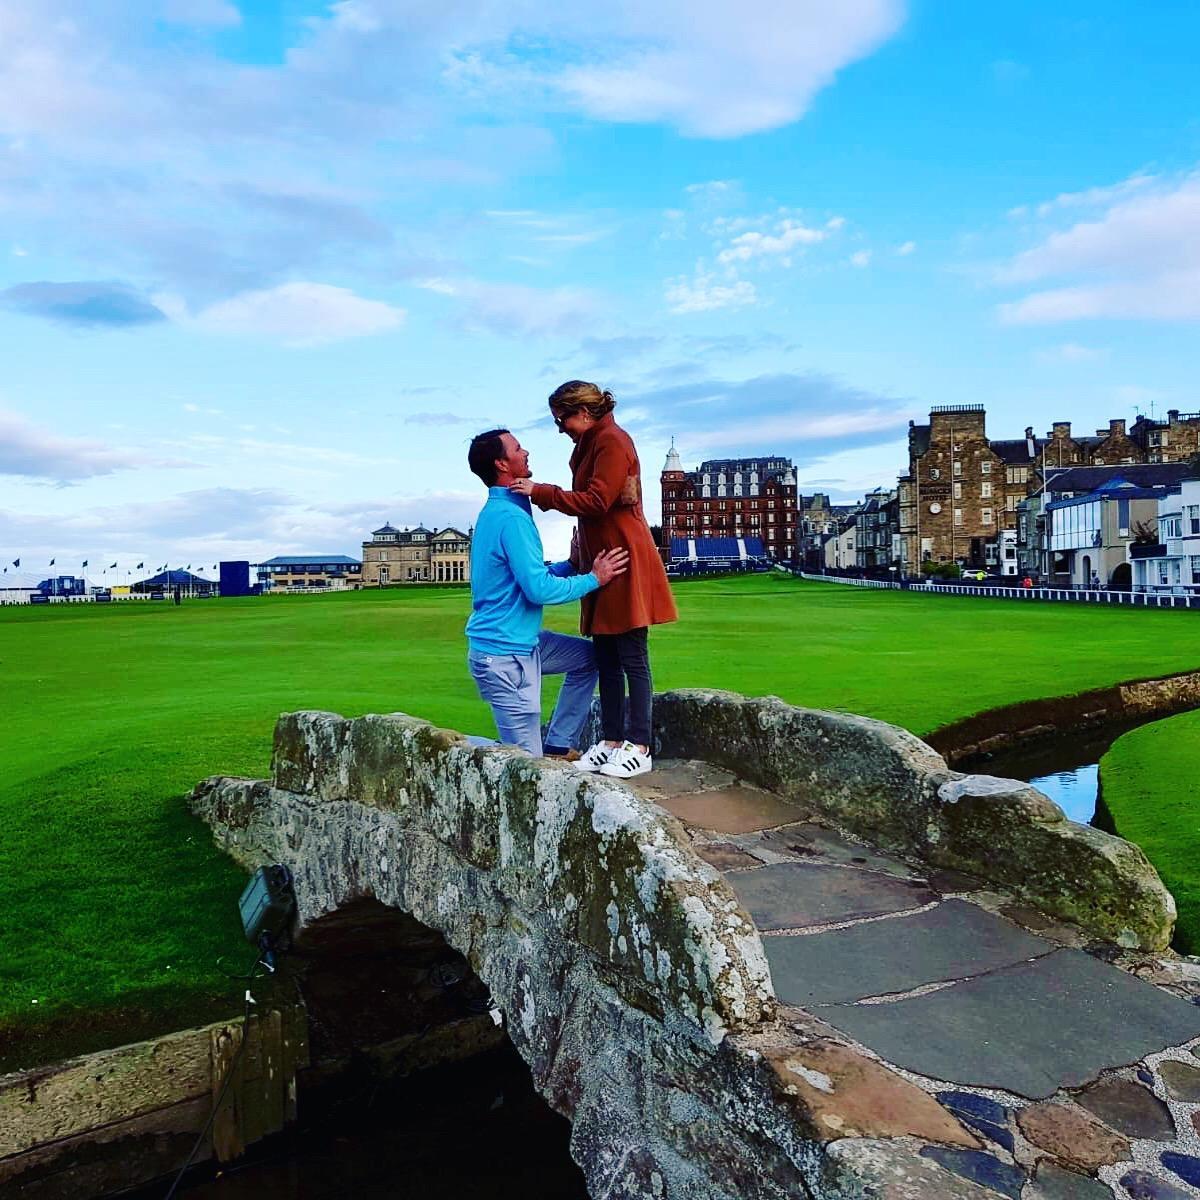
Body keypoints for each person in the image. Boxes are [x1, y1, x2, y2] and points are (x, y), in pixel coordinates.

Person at [510, 381, 677, 780]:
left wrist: (541, 491)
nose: (560, 427)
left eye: (561, 418)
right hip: (601, 557)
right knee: (605, 654)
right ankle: (613, 741)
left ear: (582, 412)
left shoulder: (612, 441)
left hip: (622, 556)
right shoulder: (590, 443)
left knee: (631, 655)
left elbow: (598, 500)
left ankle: (640, 745)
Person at [466, 428, 628, 758]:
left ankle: (557, 743)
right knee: (526, 765)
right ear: (501, 464)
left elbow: (527, 580)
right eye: (517, 449)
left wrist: (571, 564)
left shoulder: (504, 512)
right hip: (502, 657)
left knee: (590, 658)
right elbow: (538, 590)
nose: (526, 453)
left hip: (524, 645)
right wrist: (595, 578)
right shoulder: (509, 517)